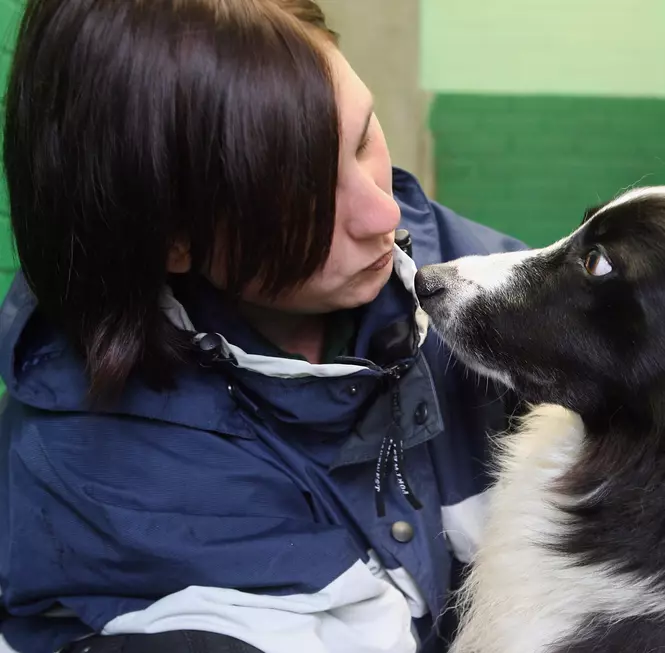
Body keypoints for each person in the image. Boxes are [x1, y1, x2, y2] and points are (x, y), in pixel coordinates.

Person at [0, 1, 527, 652]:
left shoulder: (465, 268)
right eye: (305, 203)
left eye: (363, 137)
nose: (381, 210)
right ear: (172, 241)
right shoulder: (111, 481)